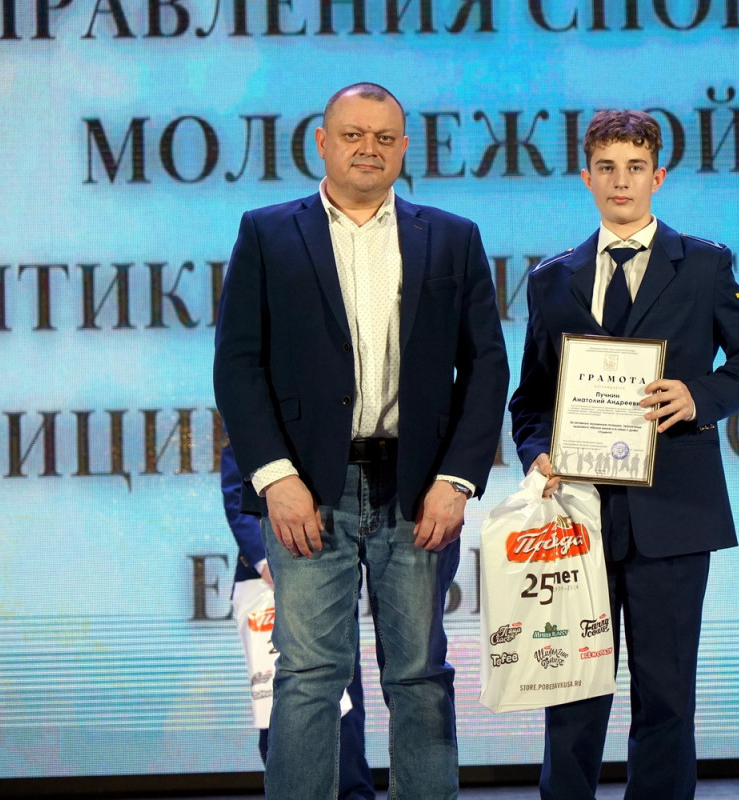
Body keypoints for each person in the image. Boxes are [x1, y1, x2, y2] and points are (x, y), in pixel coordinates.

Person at [213, 82, 509, 800]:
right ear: (323, 142)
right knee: (309, 676)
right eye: (353, 135)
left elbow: (486, 366)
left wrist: (458, 480)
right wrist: (274, 477)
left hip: (418, 488)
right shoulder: (267, 232)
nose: (368, 149)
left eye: (383, 137)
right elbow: (238, 363)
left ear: (404, 148)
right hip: (309, 489)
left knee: (420, 676)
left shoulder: (453, 236)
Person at [509, 109, 739, 800]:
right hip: (578, 517)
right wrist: (537, 453)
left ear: (658, 176)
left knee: (665, 695)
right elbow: (531, 398)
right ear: (586, 177)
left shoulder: (704, 264)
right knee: (572, 691)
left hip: (675, 512)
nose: (620, 181)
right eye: (606, 168)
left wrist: (697, 395)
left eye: (635, 167)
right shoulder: (551, 279)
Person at [220, 435, 375, 799]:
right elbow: (237, 491)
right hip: (268, 579)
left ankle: (351, 790)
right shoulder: (253, 415)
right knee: (280, 691)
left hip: (327, 557)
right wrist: (264, 562)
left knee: (343, 691)